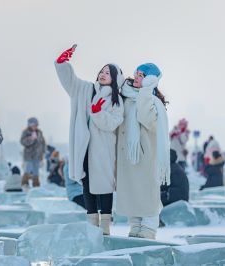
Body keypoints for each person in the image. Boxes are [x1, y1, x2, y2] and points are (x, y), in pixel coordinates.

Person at [55, 45, 124, 235]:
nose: (103, 74)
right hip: (83, 146)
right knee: (86, 183)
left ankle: (105, 225)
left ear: (115, 79)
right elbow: (70, 82)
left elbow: (112, 124)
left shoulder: (117, 101)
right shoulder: (85, 89)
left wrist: (98, 113)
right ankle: (92, 223)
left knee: (104, 186)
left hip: (102, 149)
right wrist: (62, 64)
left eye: (108, 73)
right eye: (102, 71)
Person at [116, 63, 170, 239]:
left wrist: (147, 91)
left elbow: (146, 118)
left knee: (147, 195)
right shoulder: (126, 96)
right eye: (137, 74)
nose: (137, 77)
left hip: (146, 158)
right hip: (128, 158)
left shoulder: (154, 102)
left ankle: (147, 231)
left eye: (142, 75)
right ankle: (135, 228)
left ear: (150, 79)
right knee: (132, 194)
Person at [20, 117, 46, 189]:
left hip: (37, 156)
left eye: (36, 125)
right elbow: (22, 141)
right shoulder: (26, 132)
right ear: (30, 125)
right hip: (29, 155)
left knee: (36, 171)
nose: (35, 127)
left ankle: (36, 185)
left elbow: (43, 142)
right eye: (34, 125)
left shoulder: (39, 132)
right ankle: (25, 183)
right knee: (28, 169)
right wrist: (31, 139)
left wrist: (43, 151)